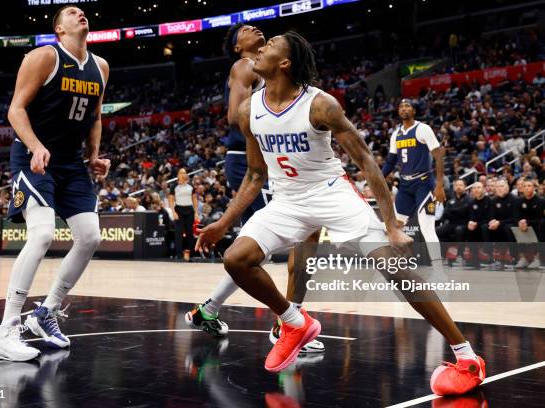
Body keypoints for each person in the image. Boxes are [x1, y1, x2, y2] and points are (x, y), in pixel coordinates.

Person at [196, 31, 484, 395]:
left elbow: (365, 159)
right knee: (237, 259)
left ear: (285, 63)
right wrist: (223, 223)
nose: (262, 46)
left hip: (331, 193)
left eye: (271, 46)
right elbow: (255, 173)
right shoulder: (247, 110)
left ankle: (466, 355)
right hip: (287, 200)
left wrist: (391, 223)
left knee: (394, 268)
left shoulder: (321, 105)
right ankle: (294, 322)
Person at [184, 23, 323, 354]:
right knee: (277, 244)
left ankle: (209, 310)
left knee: (279, 244)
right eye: (244, 29)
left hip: (262, 160)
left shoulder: (265, 68)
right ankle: (287, 323)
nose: (254, 28)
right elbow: (235, 115)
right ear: (237, 47)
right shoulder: (244, 65)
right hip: (253, 163)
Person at [0, 5, 110, 362]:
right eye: (72, 13)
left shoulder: (101, 67)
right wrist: (35, 145)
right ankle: (7, 330)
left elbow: (95, 117)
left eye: (83, 11)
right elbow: (15, 109)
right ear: (59, 28)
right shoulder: (44, 56)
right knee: (42, 234)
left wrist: (94, 155)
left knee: (90, 237)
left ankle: (47, 312)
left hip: (72, 162)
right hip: (33, 157)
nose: (81, 14)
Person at [382, 99, 446, 267]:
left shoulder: (423, 129)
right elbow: (390, 162)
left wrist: (439, 186)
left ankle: (439, 270)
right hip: (405, 186)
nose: (404, 109)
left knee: (427, 228)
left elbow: (438, 156)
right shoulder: (396, 134)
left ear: (414, 110)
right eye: (401, 107)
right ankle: (397, 261)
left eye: (407, 106)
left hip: (423, 184)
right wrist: (378, 179)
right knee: (395, 226)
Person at [168, 168, 198, 261]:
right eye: (181, 173)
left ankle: (192, 254)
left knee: (190, 233)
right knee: (178, 233)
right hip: (179, 210)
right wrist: (173, 212)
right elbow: (171, 200)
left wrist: (196, 212)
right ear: (178, 175)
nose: (183, 174)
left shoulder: (190, 186)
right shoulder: (174, 186)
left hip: (189, 210)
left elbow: (194, 199)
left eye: (184, 173)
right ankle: (179, 255)